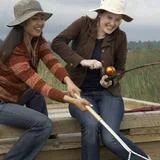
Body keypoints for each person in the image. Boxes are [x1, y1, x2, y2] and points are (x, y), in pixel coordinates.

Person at [51, 0, 151, 159]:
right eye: (109, 17)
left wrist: (110, 80)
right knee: (91, 126)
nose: (112, 23)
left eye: (117, 20)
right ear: (100, 14)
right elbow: (57, 42)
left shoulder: (120, 37)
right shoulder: (83, 24)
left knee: (110, 138)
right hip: (79, 94)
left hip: (108, 95)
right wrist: (81, 61)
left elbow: (120, 69)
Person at [0, 0, 90, 159]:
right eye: (35, 18)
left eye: (41, 18)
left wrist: (69, 82)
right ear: (22, 23)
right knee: (43, 124)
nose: (40, 23)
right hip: (2, 103)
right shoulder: (15, 52)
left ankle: (45, 137)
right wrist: (71, 100)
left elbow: (52, 62)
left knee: (34, 94)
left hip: (16, 97)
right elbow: (40, 85)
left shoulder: (37, 41)